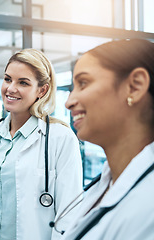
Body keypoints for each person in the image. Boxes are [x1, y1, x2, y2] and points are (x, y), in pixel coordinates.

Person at [0, 48, 83, 240]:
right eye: (7, 79)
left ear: (42, 90)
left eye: (23, 82)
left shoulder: (60, 138)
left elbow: (68, 216)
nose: (11, 88)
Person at [61, 39, 154, 240]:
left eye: (83, 83)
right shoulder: (108, 180)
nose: (69, 102)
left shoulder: (149, 203)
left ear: (135, 86)